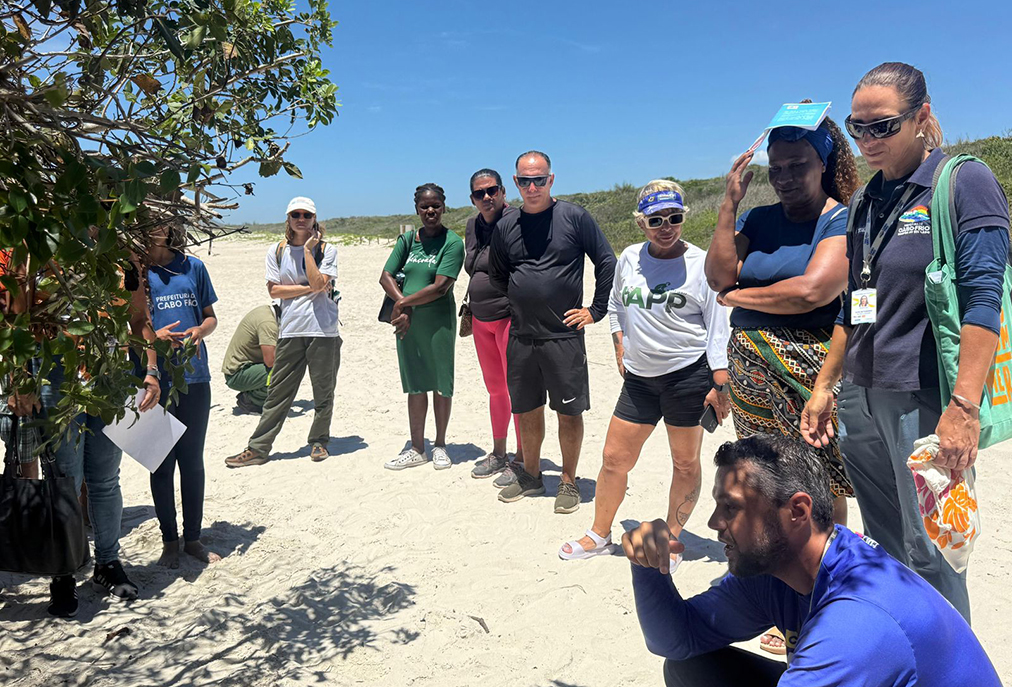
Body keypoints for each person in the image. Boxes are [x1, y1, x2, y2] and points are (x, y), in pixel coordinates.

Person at [801, 62, 1010, 624]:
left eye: (883, 126)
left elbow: (982, 302)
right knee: (886, 549)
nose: (867, 141)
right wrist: (825, 386)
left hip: (922, 400)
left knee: (934, 552)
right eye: (857, 128)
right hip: (861, 399)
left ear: (921, 117)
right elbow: (855, 300)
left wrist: (964, 407)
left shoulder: (962, 182)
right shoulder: (868, 199)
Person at [623, 434, 1002, 687]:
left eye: (731, 509)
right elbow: (677, 639)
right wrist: (647, 568)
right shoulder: (777, 569)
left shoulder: (856, 620)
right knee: (692, 669)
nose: (714, 524)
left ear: (797, 511)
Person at [559, 180, 730, 561]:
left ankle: (671, 537)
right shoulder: (630, 258)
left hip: (687, 377)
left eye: (674, 217)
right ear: (641, 223)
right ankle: (599, 533)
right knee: (614, 459)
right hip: (639, 380)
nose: (665, 226)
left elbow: (719, 328)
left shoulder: (702, 264)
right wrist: (619, 342)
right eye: (656, 219)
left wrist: (721, 383)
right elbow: (618, 304)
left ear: (684, 217)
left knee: (685, 462)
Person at [704, 114, 859, 518]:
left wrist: (740, 297)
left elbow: (812, 291)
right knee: (763, 470)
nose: (784, 177)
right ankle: (777, 561)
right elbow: (718, 277)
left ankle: (824, 562)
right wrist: (729, 203)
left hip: (809, 367)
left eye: (797, 166)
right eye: (776, 168)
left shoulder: (839, 219)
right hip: (749, 366)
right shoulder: (757, 220)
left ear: (823, 164)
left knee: (819, 475)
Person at [488, 150, 617, 514]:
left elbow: (606, 261)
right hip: (522, 336)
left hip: (564, 336)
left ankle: (569, 480)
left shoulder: (574, 217)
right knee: (527, 409)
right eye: (525, 181)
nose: (532, 187)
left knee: (568, 412)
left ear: (551, 179)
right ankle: (530, 474)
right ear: (515, 183)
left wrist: (595, 310)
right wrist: (521, 297)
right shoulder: (505, 226)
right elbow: (497, 273)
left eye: (539, 180)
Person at [41, 247, 162, 614]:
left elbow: (139, 319)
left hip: (111, 376)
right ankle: (62, 572)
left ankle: (107, 563)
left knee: (106, 478)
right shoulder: (48, 251)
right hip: (60, 374)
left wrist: (151, 369)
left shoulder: (124, 257)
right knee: (65, 478)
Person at [226, 197, 341, 467]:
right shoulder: (276, 251)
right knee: (278, 391)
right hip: (290, 329)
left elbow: (319, 281)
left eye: (306, 215)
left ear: (314, 219)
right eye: (296, 214)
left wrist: (310, 253)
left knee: (323, 390)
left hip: (323, 330)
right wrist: (309, 289)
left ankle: (318, 442)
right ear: (288, 218)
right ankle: (258, 448)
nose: (301, 219)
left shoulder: (328, 250)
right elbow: (274, 290)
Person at [146, 223, 219, 567]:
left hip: (194, 376)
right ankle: (169, 541)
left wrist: (200, 331)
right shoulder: (135, 272)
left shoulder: (193, 267)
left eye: (157, 223)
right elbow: (129, 325)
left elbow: (210, 318)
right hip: (152, 380)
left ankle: (193, 539)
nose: (150, 231)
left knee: (192, 462)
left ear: (169, 228)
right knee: (161, 463)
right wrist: (153, 337)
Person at [380, 183, 465, 470]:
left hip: (438, 322)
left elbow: (440, 287)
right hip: (407, 324)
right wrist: (402, 305)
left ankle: (440, 444)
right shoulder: (407, 240)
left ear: (444, 207)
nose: (430, 211)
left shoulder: (453, 243)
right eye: (424, 206)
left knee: (442, 384)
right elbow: (386, 276)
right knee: (415, 384)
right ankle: (417, 448)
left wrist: (403, 305)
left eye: (436, 206)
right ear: (416, 209)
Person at [463, 169, 525, 479]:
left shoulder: (517, 220)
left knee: (517, 389)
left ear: (503, 191)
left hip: (508, 317)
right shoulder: (473, 225)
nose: (487, 197)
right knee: (496, 390)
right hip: (480, 319)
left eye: (492, 190)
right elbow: (471, 264)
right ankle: (500, 452)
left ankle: (523, 456)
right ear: (472, 199)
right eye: (479, 193)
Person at [222, 302, 280, 414]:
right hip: (237, 374)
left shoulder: (266, 312)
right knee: (283, 372)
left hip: (243, 368)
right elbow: (270, 361)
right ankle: (250, 401)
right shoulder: (268, 323)